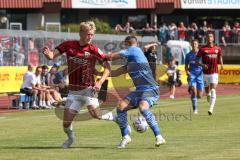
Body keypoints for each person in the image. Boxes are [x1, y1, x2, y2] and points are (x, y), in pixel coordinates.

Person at [43, 21, 115, 149]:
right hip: (73, 92)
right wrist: (47, 54)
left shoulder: (94, 49)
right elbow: (52, 56)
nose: (90, 37)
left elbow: (107, 68)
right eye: (88, 34)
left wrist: (99, 82)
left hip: (88, 89)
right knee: (66, 123)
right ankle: (70, 139)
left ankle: (118, 118)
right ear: (81, 33)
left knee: (96, 115)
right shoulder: (68, 45)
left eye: (92, 35)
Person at [105, 35, 166, 148]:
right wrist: (98, 73)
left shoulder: (133, 50)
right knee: (120, 107)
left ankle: (159, 137)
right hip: (139, 90)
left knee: (143, 107)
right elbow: (115, 73)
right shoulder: (131, 61)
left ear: (127, 43)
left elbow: (111, 57)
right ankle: (126, 137)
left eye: (125, 45)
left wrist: (97, 55)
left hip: (150, 88)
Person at [196, 33, 224, 115]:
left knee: (213, 90)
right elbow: (196, 60)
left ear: (213, 38)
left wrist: (222, 64)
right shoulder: (202, 49)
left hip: (214, 72)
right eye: (208, 37)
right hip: (205, 73)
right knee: (207, 91)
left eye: (211, 37)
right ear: (206, 39)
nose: (209, 38)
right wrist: (202, 65)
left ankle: (210, 109)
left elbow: (220, 56)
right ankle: (208, 94)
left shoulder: (218, 48)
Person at [185, 40, 203, 114]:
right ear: (191, 45)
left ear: (198, 45)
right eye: (192, 44)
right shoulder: (188, 55)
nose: (194, 45)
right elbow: (186, 66)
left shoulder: (201, 55)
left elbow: (204, 64)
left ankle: (192, 89)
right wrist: (187, 71)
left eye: (195, 44)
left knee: (199, 96)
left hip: (199, 75)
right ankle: (195, 109)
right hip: (191, 74)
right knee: (194, 91)